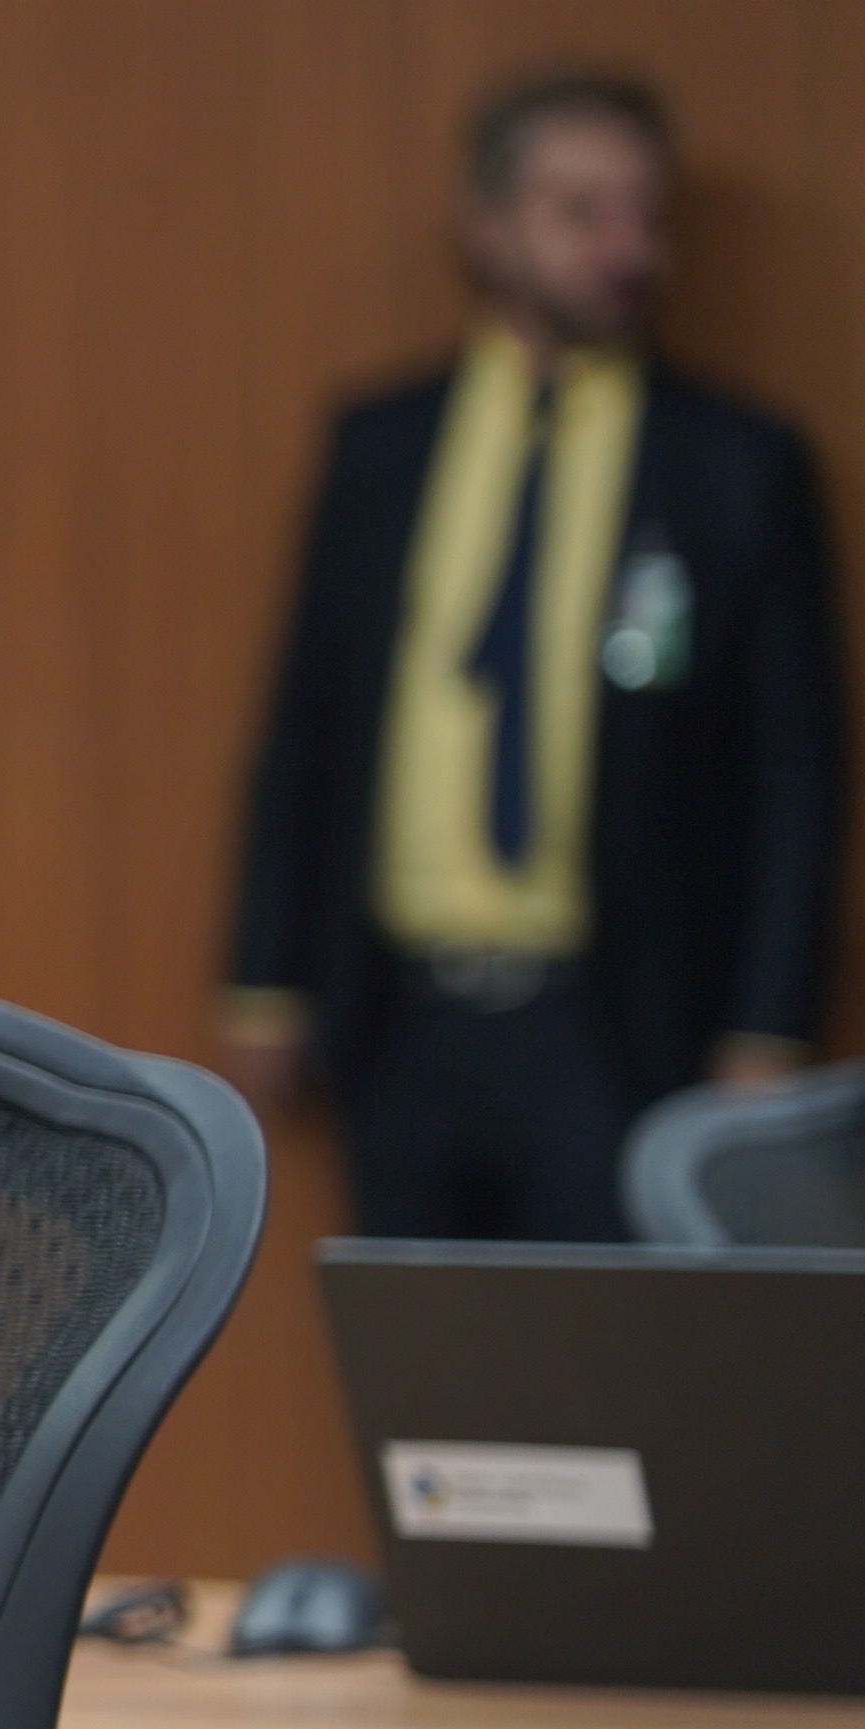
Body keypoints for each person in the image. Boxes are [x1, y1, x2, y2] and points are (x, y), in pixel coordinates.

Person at [227, 71, 847, 1239]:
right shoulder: (379, 442)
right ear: (489, 226)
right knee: (412, 1343)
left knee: (599, 1346)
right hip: (402, 1018)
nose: (629, 249)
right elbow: (308, 721)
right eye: (582, 211)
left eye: (646, 213)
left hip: (619, 1022)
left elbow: (794, 768)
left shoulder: (735, 462)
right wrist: (265, 975)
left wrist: (767, 1025)